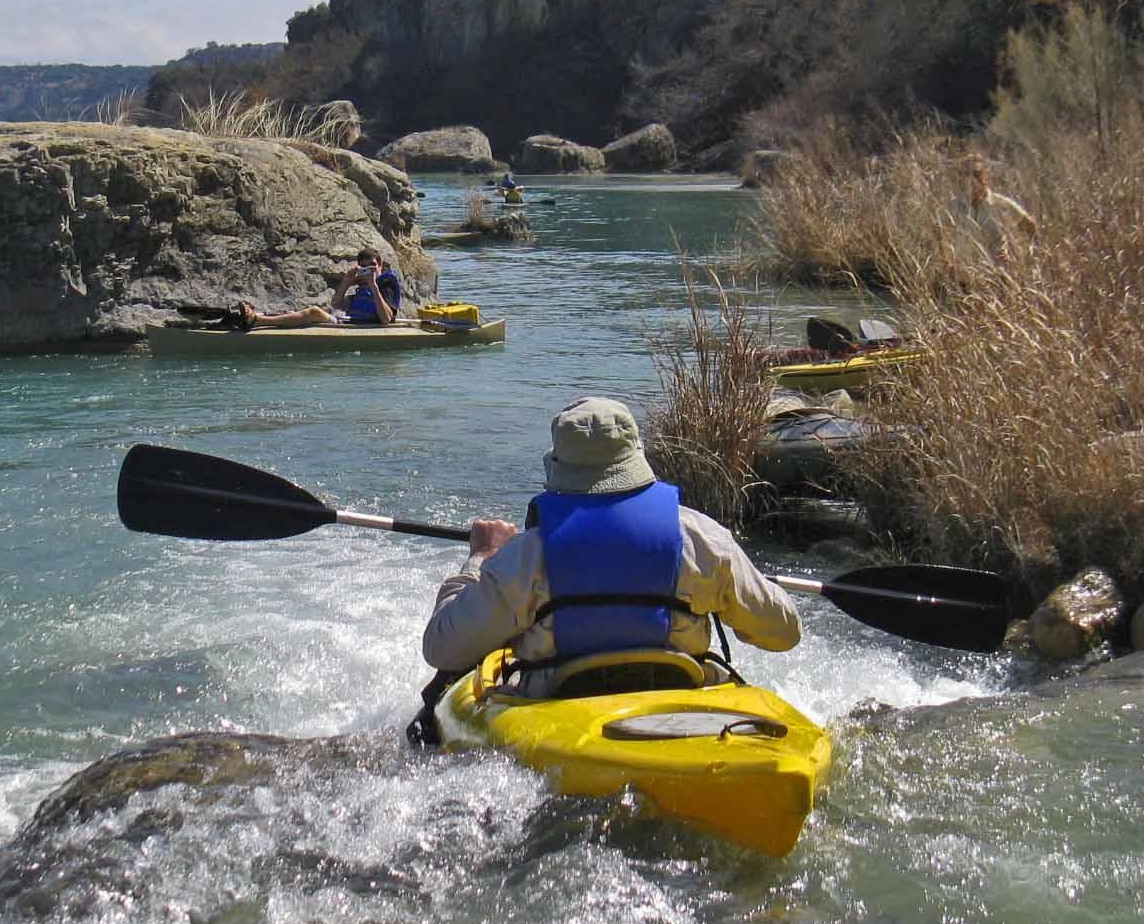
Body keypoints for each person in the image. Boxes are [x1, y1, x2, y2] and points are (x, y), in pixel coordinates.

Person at [421, 396, 801, 699]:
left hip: (561, 710)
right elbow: (784, 633)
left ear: (558, 465)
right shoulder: (704, 540)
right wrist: (740, 581)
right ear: (636, 456)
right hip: (680, 706)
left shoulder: (526, 555)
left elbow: (443, 647)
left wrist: (481, 559)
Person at [240, 247, 402, 329]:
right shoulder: (362, 287)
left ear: (380, 265)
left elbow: (387, 319)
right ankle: (257, 315)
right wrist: (347, 280)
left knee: (314, 312)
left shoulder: (385, 284)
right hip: (350, 324)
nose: (371, 270)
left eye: (373, 265)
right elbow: (336, 304)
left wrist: (373, 286)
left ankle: (257, 321)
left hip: (366, 329)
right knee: (310, 312)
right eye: (365, 267)